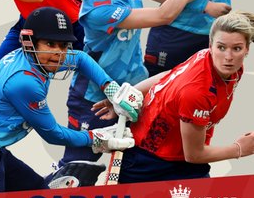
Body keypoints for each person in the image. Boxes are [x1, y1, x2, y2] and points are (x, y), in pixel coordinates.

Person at [56, 0, 219, 169]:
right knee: (78, 170)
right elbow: (164, 15)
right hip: (94, 98)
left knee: (139, 162)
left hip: (136, 87)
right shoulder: (97, 10)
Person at [0, 7, 137, 194]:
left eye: (64, 45)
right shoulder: (24, 82)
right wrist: (97, 139)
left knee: (38, 192)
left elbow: (81, 58)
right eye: (50, 43)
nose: (59, 53)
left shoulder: (38, 58)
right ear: (29, 42)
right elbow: (53, 134)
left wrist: (111, 89)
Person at [95, 11, 254, 182]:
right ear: (211, 44)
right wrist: (238, 149)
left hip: (177, 153)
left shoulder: (213, 60)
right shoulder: (197, 92)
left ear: (247, 49)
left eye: (236, 48)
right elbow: (194, 154)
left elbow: (171, 74)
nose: (228, 57)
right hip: (149, 164)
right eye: (221, 47)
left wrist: (126, 97)